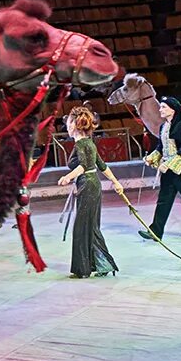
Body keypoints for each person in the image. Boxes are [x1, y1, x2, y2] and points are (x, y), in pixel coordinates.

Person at [57, 106, 123, 278]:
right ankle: (102, 265)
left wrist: (68, 177)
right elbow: (101, 165)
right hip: (92, 185)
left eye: (69, 122)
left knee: (83, 228)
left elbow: (84, 166)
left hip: (88, 185)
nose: (67, 126)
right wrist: (116, 182)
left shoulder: (82, 144)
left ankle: (84, 269)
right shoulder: (89, 143)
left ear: (75, 125)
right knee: (90, 227)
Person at [139, 96, 181, 240]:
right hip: (168, 172)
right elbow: (161, 146)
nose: (160, 109)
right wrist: (152, 157)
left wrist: (168, 164)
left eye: (163, 107)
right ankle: (156, 231)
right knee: (163, 200)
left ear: (173, 110)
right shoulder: (163, 126)